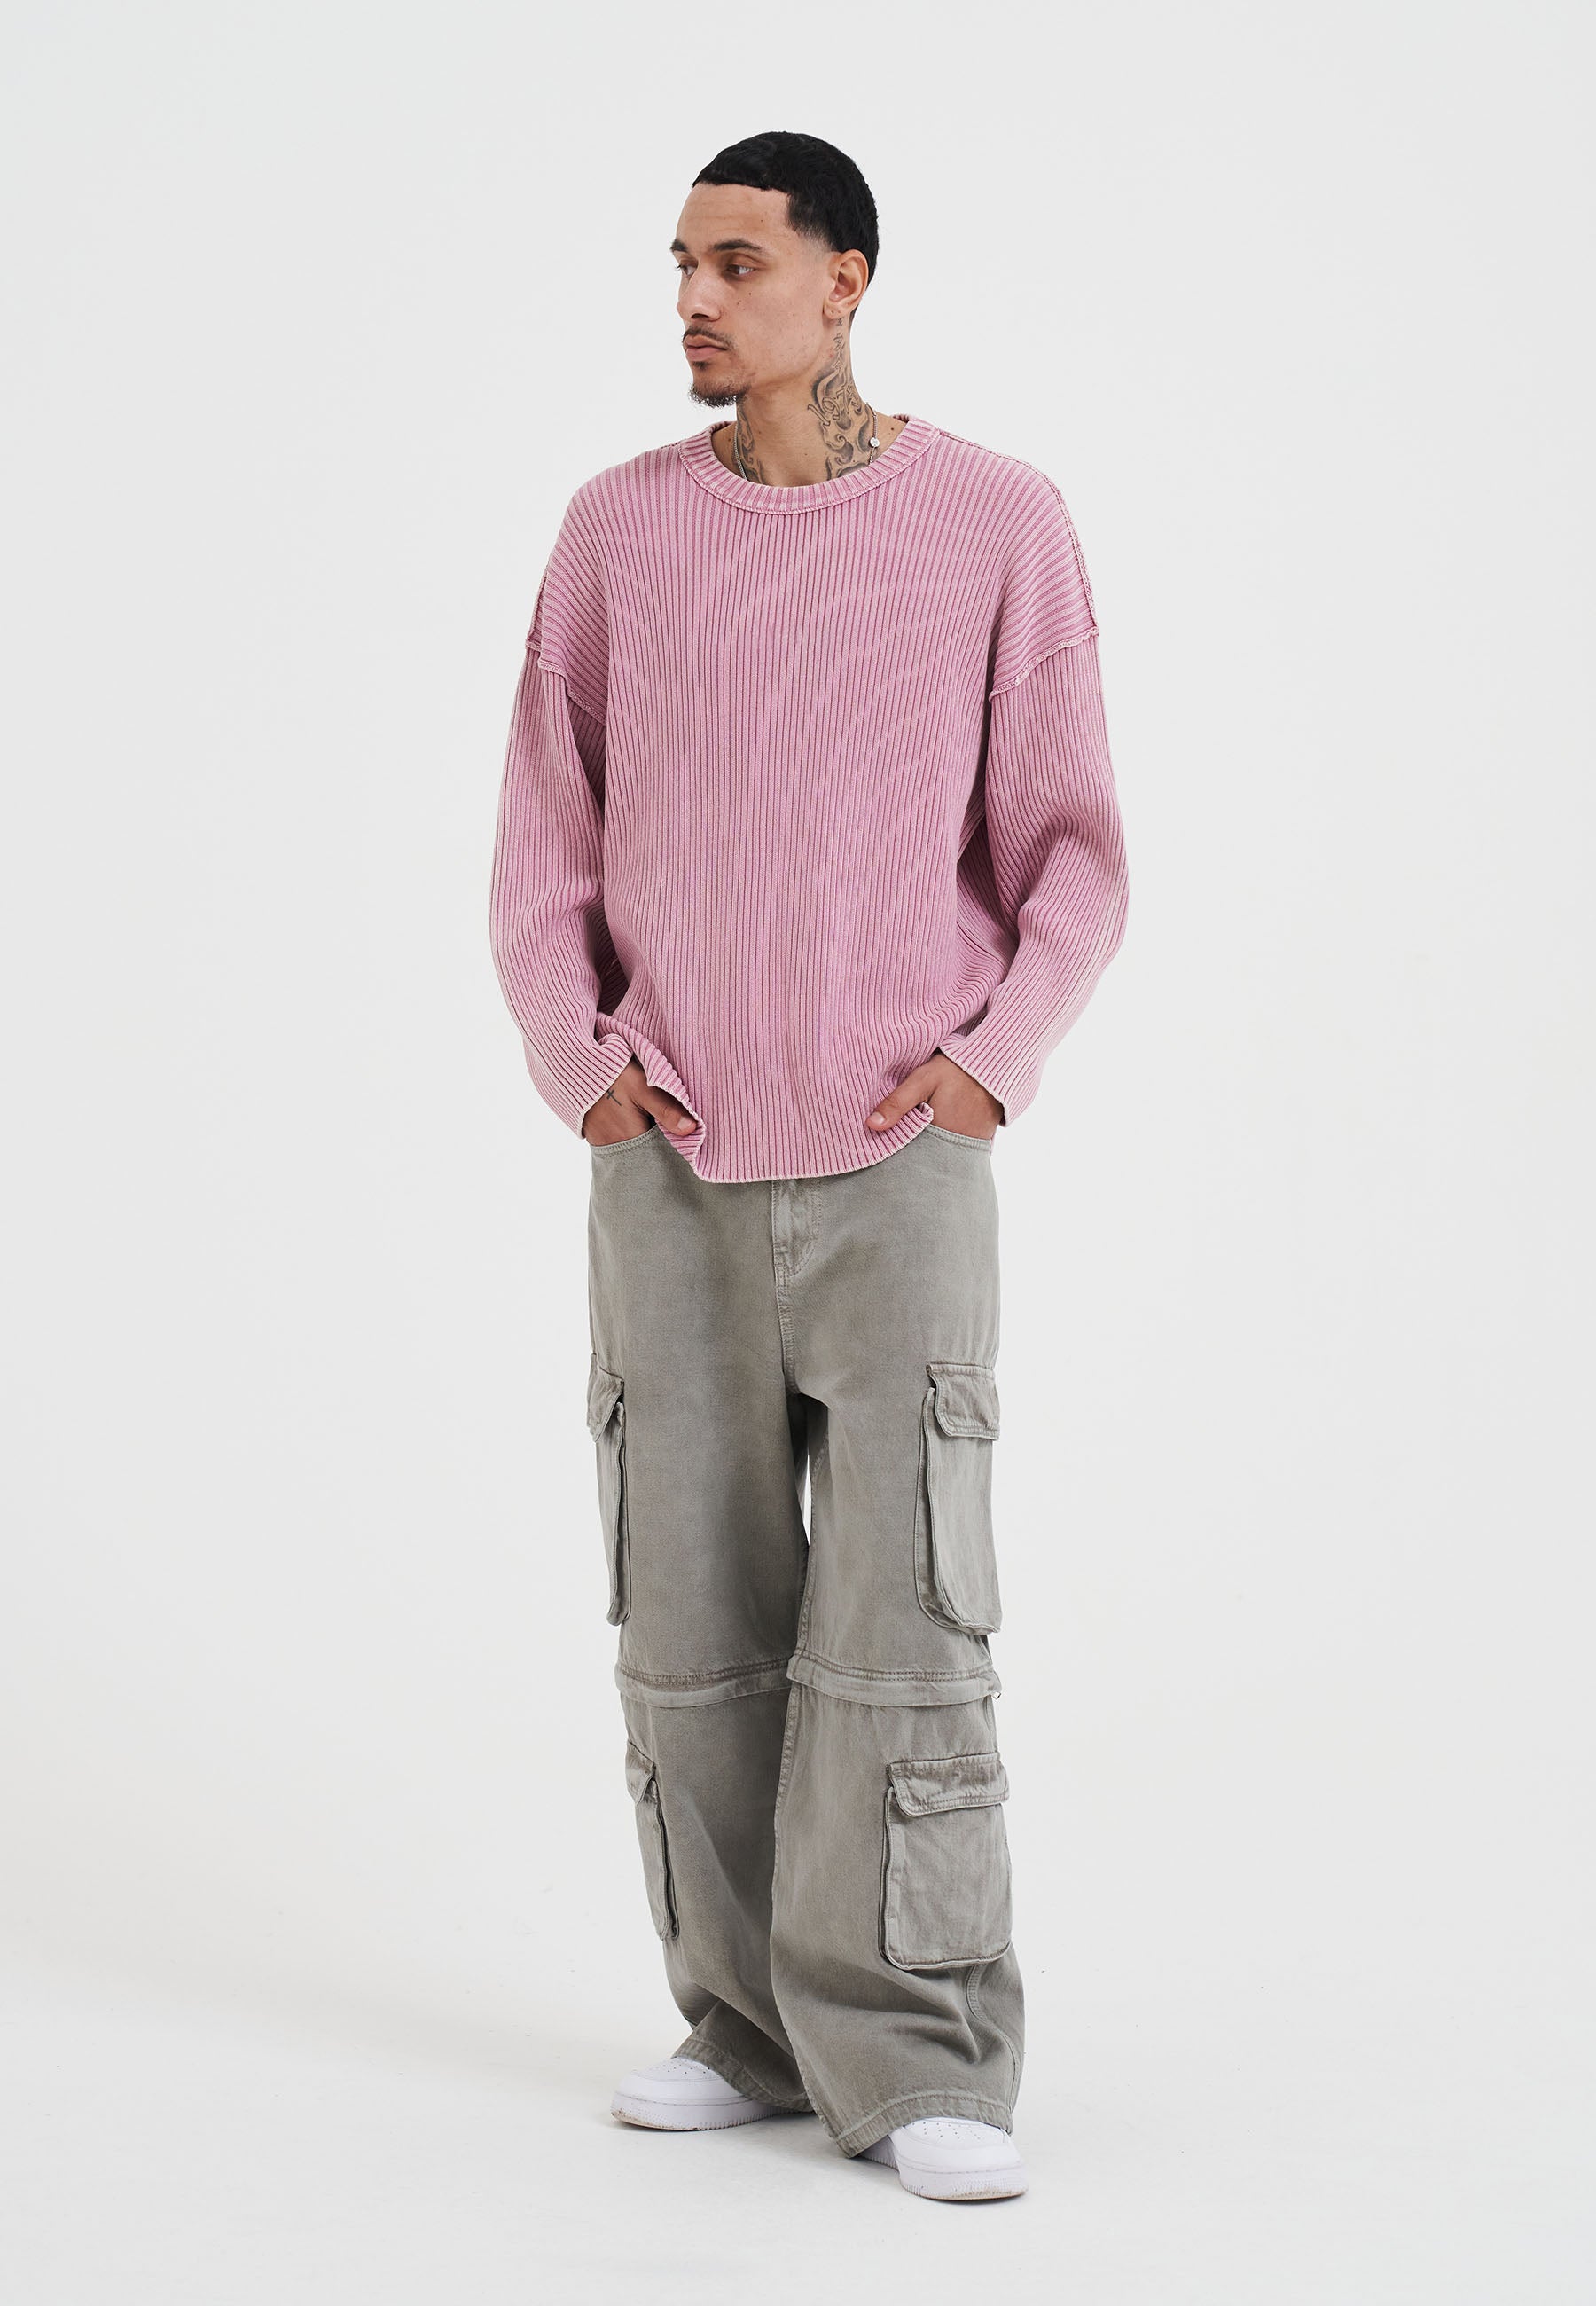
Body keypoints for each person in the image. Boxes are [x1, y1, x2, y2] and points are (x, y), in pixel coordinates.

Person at [489, 129, 1129, 2204]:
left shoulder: (997, 520)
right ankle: (746, 2026)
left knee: (907, 1618)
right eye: (680, 262)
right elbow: (543, 841)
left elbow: (1073, 853)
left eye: (738, 263)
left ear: (846, 281)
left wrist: (988, 1067)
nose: (694, 298)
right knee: (691, 1625)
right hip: (666, 1169)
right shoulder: (617, 529)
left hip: (898, 1162)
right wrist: (584, 1065)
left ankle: (925, 2051)